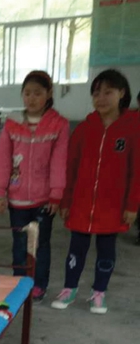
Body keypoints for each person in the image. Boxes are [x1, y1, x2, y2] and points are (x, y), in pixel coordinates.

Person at [51, 70, 140, 315]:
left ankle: (99, 292)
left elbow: (136, 171)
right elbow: (71, 168)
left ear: (122, 93)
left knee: (106, 250)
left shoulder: (133, 129)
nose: (101, 98)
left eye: (108, 92)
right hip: (81, 204)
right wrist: (66, 201)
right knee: (76, 249)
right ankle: (69, 288)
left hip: (112, 207)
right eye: (96, 93)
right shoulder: (83, 129)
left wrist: (132, 205)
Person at [0, 71, 69, 300]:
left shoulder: (59, 124)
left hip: (44, 199)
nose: (31, 98)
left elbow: (59, 161)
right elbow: (2, 160)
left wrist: (56, 193)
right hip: (17, 199)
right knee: (19, 243)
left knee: (41, 244)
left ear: (49, 94)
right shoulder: (12, 123)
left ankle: (39, 285)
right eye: (27, 93)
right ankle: (19, 283)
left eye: (37, 93)